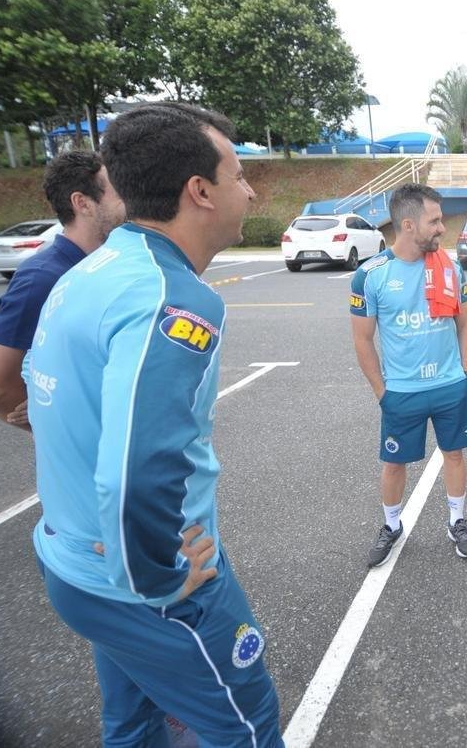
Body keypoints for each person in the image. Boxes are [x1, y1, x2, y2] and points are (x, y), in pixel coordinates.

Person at [26, 102, 283, 746]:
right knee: (247, 727)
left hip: (72, 560)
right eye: (238, 175)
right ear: (199, 191)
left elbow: (36, 390)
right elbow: (136, 472)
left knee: (133, 724)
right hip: (144, 583)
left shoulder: (89, 271)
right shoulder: (173, 298)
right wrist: (157, 581)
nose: (249, 191)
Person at [351, 183, 467, 566]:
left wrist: (466, 373)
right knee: (394, 462)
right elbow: (362, 340)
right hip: (401, 392)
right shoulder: (370, 275)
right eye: (435, 220)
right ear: (408, 225)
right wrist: (383, 392)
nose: (442, 228)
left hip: (449, 385)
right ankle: (391, 525)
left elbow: (466, 324)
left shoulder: (450, 268)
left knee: (454, 454)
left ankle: (457, 520)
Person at [0, 150, 125, 429]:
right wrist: (57, 428)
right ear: (83, 203)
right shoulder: (41, 277)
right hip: (82, 462)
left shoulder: (109, 264)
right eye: (118, 194)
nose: (129, 203)